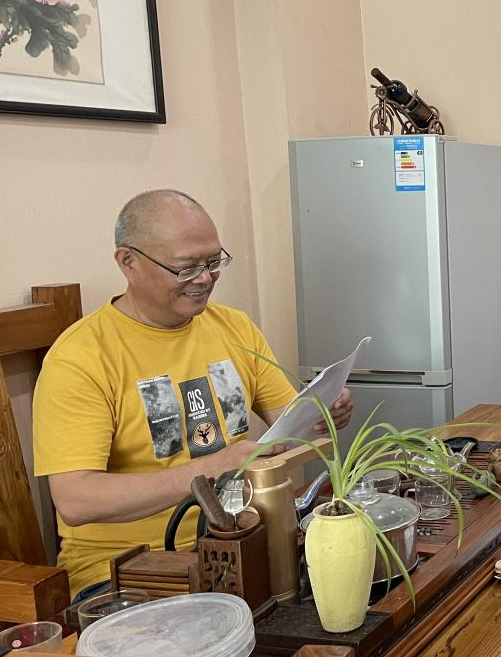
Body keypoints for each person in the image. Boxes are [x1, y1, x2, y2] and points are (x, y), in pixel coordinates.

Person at [33, 190, 352, 600]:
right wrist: (211, 469)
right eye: (186, 268)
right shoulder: (81, 356)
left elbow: (291, 430)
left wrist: (323, 414)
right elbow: (76, 500)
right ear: (128, 262)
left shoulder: (233, 327)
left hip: (240, 543)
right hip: (129, 571)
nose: (204, 279)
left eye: (214, 262)